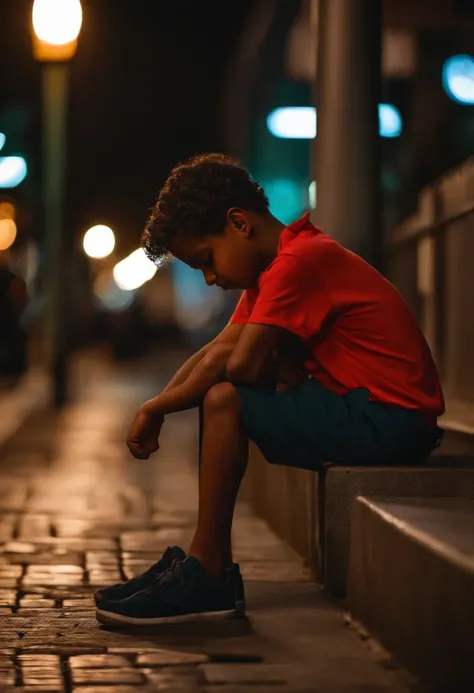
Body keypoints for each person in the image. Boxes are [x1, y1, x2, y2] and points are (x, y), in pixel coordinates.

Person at [95, 153, 444, 627]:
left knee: (226, 399)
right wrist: (159, 405)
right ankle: (204, 565)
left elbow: (234, 364)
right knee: (226, 390)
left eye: (206, 261)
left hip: (392, 418)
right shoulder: (278, 266)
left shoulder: (299, 261)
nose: (212, 279)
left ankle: (208, 571)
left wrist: (156, 409)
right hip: (370, 410)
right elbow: (216, 351)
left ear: (238, 223)